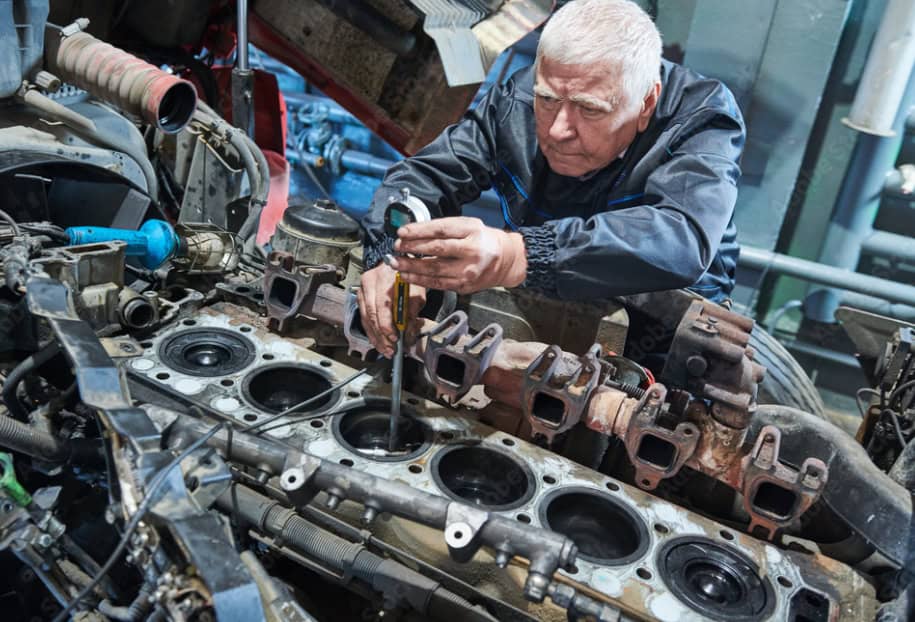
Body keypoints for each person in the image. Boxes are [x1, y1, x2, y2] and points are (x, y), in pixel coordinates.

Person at [357, 0, 745, 358]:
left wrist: (519, 254)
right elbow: (424, 175)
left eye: (589, 110)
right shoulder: (521, 99)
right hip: (541, 308)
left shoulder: (701, 118)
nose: (559, 129)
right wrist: (390, 254)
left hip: (658, 343)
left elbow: (681, 239)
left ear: (645, 103)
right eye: (547, 101)